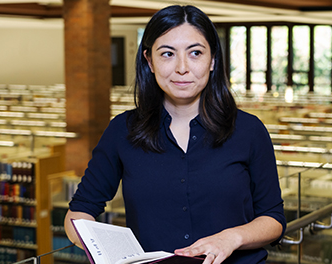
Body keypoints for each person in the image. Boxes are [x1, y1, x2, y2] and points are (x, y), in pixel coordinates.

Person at [64, 5, 286, 264]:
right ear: (149, 61)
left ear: (213, 59)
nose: (182, 68)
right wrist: (102, 249)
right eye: (167, 54)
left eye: (195, 53)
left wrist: (232, 237)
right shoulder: (122, 130)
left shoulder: (249, 130)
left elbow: (273, 219)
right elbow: (79, 212)